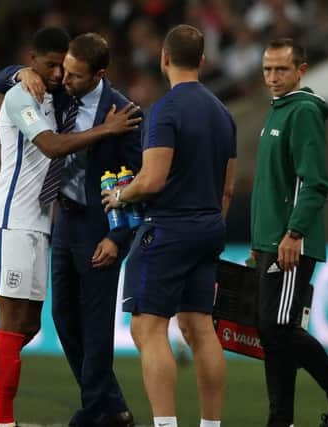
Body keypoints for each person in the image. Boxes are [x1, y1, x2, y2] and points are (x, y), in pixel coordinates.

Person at [0, 28, 140, 427]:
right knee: (13, 326)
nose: (59, 76)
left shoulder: (64, 97)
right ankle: (5, 422)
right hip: (10, 220)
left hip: (44, 224)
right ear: (34, 61)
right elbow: (50, 144)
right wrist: (18, 74)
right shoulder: (23, 94)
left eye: (64, 68)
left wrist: (120, 234)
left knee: (28, 326)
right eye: (51, 66)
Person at [103, 24, 237, 427]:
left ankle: (165, 424)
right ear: (201, 60)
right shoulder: (223, 113)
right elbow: (227, 189)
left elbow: (152, 179)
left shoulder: (166, 110)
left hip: (168, 229)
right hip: (210, 227)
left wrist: (120, 196)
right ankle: (211, 425)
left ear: (164, 57)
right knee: (200, 328)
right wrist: (208, 226)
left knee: (147, 328)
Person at [250, 38, 328, 427]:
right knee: (272, 335)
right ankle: (280, 421)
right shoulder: (277, 110)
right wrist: (258, 241)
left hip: (290, 242)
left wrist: (294, 233)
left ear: (301, 70)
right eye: (267, 69)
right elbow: (273, 186)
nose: (272, 77)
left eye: (281, 69)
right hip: (271, 241)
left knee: (278, 327)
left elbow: (313, 182)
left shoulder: (302, 112)